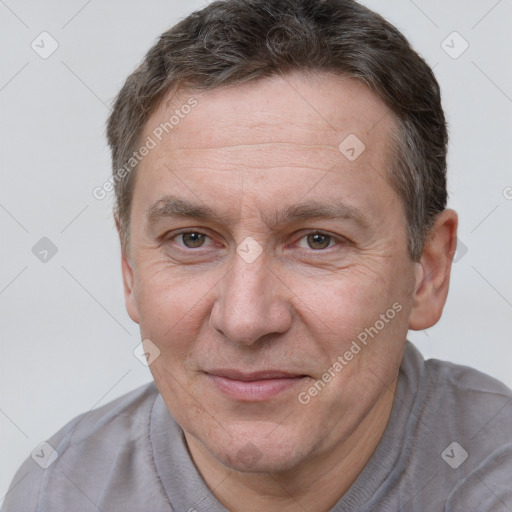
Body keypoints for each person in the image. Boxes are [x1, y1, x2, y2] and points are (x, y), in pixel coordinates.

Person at [3, 0, 511, 510]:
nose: (246, 320)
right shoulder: (58, 492)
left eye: (318, 240)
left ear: (428, 272)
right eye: (192, 239)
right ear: (130, 269)